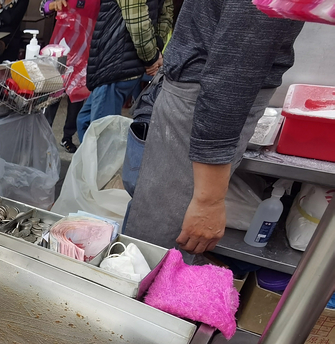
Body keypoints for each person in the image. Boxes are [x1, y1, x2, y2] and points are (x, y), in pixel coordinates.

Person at [124, 0, 303, 257]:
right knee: (156, 253)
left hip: (200, 95)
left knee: (153, 243)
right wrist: (209, 200)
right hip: (203, 102)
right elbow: (231, 76)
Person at [76, 0, 173, 141]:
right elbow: (166, 13)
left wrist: (152, 57)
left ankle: (96, 163)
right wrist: (155, 51)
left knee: (101, 138)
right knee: (85, 121)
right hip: (122, 64)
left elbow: (137, 21)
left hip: (115, 63)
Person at [41, 0, 88, 152]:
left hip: (84, 49)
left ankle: (67, 137)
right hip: (60, 48)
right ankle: (43, 134)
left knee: (77, 95)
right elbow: (43, 7)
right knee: (53, 92)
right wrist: (53, 5)